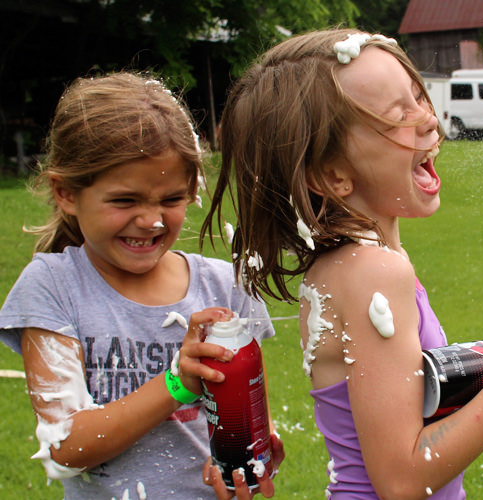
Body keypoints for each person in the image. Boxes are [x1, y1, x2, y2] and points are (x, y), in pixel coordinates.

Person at [202, 27, 483, 499]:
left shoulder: (355, 265)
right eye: (397, 115)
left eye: (419, 96)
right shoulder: (372, 272)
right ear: (333, 174)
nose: (427, 120)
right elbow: (402, 478)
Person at [0, 72, 282, 500]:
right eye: (125, 200)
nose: (151, 220)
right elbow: (66, 446)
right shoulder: (52, 287)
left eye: (171, 200)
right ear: (66, 193)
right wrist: (177, 382)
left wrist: (254, 451)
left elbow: (249, 412)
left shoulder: (225, 287)